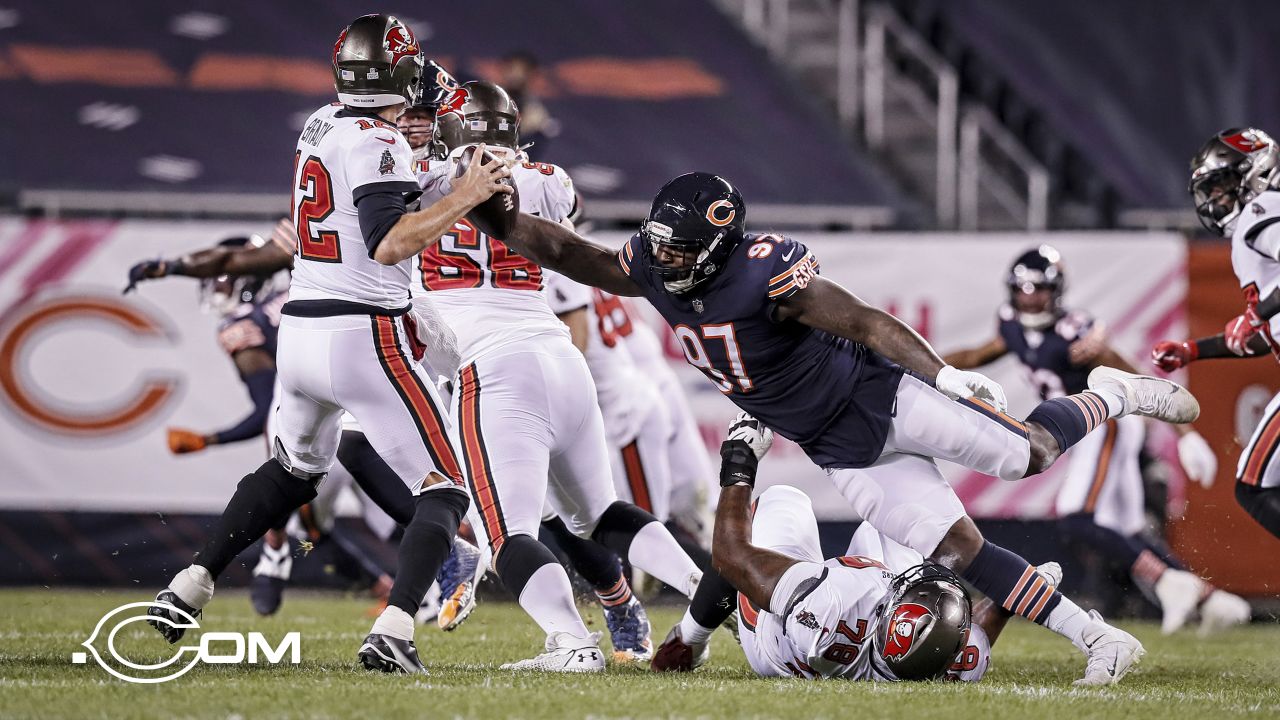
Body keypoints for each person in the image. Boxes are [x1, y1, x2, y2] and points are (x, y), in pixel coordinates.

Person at [499, 171, 1203, 685]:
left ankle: (1113, 393)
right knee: (960, 551)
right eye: (661, 246)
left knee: (1028, 454)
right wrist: (486, 213)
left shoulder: (766, 273)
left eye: (681, 250)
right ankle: (1101, 639)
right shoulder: (654, 264)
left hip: (882, 394)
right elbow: (569, 255)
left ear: (718, 247)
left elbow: (867, 321)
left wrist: (944, 377)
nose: (664, 260)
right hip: (839, 448)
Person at [144, 14, 512, 675]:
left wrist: (439, 169)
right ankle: (397, 628)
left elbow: (378, 193)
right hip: (362, 330)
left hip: (304, 331)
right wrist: (465, 193)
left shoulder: (322, 124)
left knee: (292, 472)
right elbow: (390, 240)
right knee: (446, 487)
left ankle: (190, 583)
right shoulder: (377, 141)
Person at [414, 81, 700, 671]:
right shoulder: (551, 179)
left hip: (491, 363)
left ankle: (571, 643)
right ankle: (706, 589)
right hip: (560, 355)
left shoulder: (425, 182)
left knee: (506, 536)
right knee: (598, 512)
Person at [944, 246, 1250, 634]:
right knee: (1122, 528)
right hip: (1082, 430)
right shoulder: (1011, 324)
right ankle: (1211, 599)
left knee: (1078, 518)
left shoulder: (1074, 331)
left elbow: (1130, 377)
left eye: (1037, 288)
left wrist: (1183, 432)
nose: (1029, 297)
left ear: (1055, 290)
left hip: (1103, 423)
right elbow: (978, 353)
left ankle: (1170, 584)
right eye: (1021, 288)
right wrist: (926, 363)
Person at [699, 412, 1063, 681]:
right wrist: (1009, 599)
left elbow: (731, 557)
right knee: (902, 522)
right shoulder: (952, 663)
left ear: (889, 608)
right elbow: (977, 630)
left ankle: (689, 638)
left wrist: (739, 462)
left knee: (781, 500)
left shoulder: (832, 602)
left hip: (780, 637)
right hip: (842, 621)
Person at [1154, 126, 1280, 542]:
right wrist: (1194, 350)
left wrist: (1256, 313)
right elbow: (1261, 337)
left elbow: (1261, 322)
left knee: (1253, 487)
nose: (1217, 198)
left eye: (1223, 184)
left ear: (1256, 171)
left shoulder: (1261, 209)